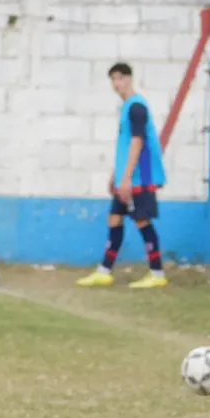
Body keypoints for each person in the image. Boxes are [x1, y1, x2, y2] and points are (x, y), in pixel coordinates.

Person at [77, 62, 168, 289]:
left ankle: (157, 274)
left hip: (139, 179)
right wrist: (116, 175)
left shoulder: (137, 107)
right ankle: (104, 271)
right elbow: (126, 146)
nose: (116, 84)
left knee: (142, 221)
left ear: (129, 79)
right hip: (126, 178)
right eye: (113, 80)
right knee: (114, 218)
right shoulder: (127, 107)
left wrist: (126, 178)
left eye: (119, 78)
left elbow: (138, 142)